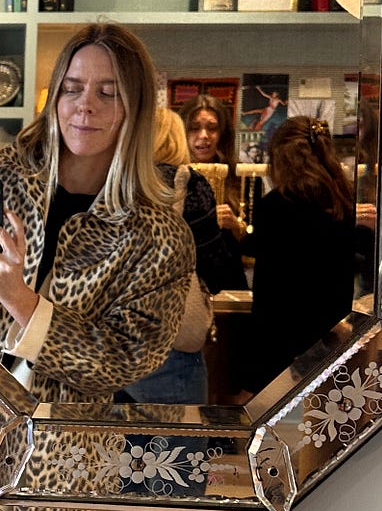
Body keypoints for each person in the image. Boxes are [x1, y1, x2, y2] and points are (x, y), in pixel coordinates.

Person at [0, 23, 194, 404]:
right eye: (72, 88)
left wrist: (20, 299)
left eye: (108, 93)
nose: (86, 105)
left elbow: (125, 361)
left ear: (137, 108)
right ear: (55, 98)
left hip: (64, 433)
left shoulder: (158, 236)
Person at [124, 108, 244, 405]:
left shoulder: (113, 182)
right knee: (179, 432)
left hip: (110, 342)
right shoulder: (188, 184)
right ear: (177, 138)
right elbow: (215, 269)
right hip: (169, 344)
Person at [243, 116, 357, 395]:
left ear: (279, 158)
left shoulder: (275, 206)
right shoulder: (342, 201)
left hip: (280, 340)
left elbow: (270, 281)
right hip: (330, 337)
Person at [181, 95, 247, 244]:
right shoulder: (170, 177)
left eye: (212, 128)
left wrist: (236, 226)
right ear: (182, 133)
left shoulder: (242, 177)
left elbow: (258, 245)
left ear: (223, 134)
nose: (204, 135)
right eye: (194, 128)